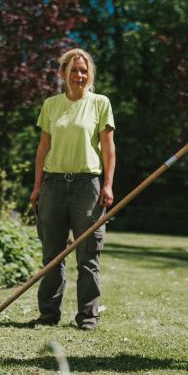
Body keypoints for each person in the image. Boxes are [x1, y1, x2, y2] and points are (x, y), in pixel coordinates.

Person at [29, 48, 116, 331]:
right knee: (52, 254)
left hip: (87, 187)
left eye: (83, 70)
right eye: (73, 70)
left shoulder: (100, 103)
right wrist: (37, 186)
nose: (79, 75)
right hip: (53, 184)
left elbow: (108, 148)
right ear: (63, 74)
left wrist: (108, 184)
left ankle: (88, 317)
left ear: (89, 74)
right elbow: (43, 149)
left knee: (88, 255)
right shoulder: (51, 105)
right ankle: (48, 314)